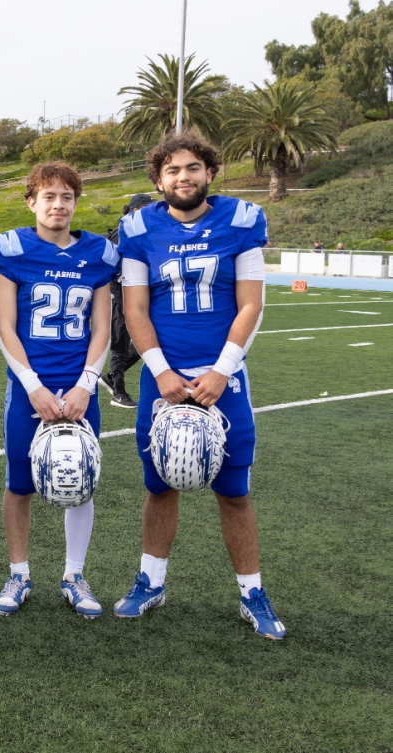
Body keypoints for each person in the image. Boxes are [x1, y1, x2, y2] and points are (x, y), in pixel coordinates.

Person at [113, 130, 285, 640]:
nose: (182, 177)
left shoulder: (241, 220)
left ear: (209, 171)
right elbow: (135, 309)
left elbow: (252, 304)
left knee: (233, 491)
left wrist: (222, 369)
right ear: (157, 179)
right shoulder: (138, 227)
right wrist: (161, 371)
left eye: (192, 168)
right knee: (159, 484)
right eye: (172, 170)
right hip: (161, 377)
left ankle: (252, 592)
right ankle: (152, 581)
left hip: (222, 376)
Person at [0, 161, 117, 617]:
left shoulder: (98, 253)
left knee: (81, 480)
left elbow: (102, 329)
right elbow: (4, 327)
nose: (58, 205)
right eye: (49, 197)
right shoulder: (11, 249)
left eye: (66, 197)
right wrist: (33, 387)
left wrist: (86, 385)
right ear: (31, 202)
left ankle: (74, 575)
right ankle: (19, 572)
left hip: (79, 388)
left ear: (76, 203)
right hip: (29, 387)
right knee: (19, 483)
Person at [99, 193, 155, 408]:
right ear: (134, 210)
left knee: (148, 341)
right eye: (146, 209)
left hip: (140, 294)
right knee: (121, 343)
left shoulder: (144, 233)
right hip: (121, 294)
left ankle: (112, 377)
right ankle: (118, 392)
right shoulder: (122, 234)